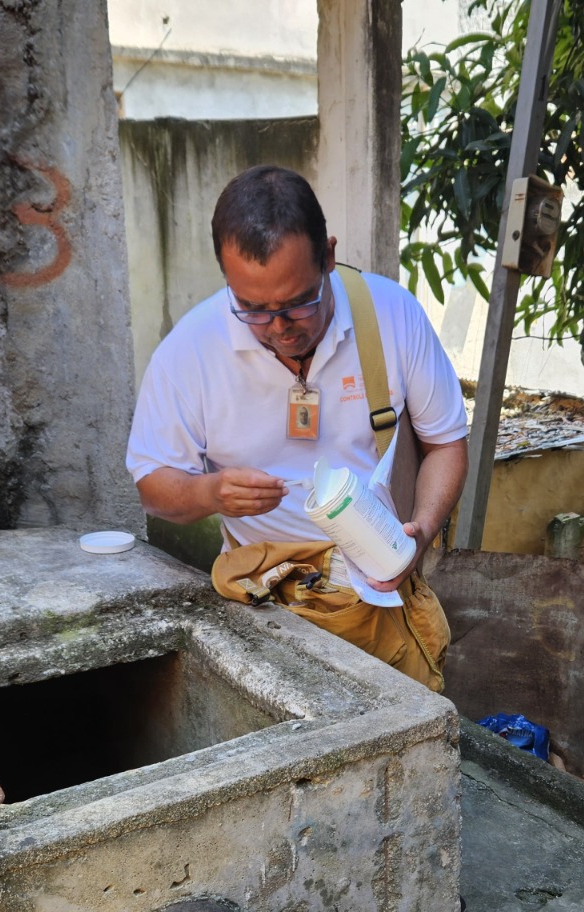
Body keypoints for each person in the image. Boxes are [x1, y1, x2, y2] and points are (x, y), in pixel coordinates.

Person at [127, 165, 468, 692]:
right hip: (259, 602)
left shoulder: (391, 316)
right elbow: (151, 485)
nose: (279, 327)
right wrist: (209, 491)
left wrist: (421, 530)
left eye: (297, 303)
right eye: (253, 309)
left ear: (328, 256)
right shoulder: (190, 352)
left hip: (374, 587)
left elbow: (445, 441)